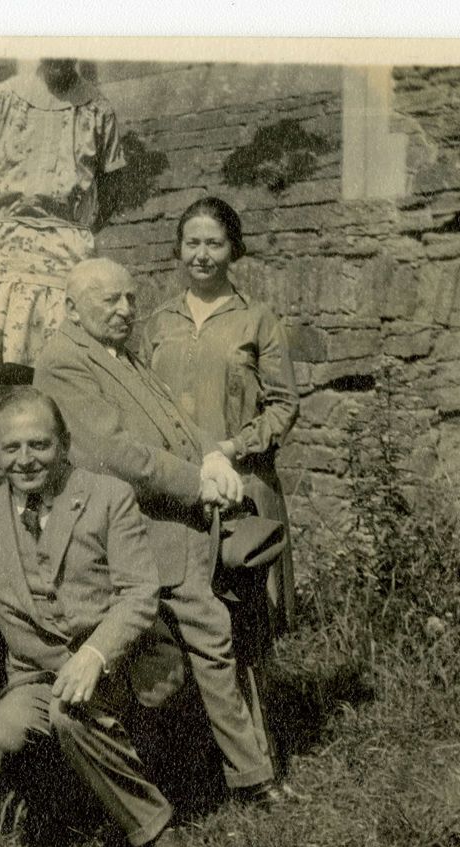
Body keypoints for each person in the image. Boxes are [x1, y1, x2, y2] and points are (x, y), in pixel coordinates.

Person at [33, 257, 284, 806]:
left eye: (130, 298)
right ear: (72, 307)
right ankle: (251, 780)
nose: (125, 311)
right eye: (110, 301)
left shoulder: (116, 351)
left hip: (175, 517)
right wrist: (197, 482)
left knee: (222, 637)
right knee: (209, 639)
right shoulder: (62, 361)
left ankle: (236, 770)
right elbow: (112, 451)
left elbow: (168, 417)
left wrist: (213, 454)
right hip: (141, 529)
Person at [0, 387, 184, 847]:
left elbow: (141, 593)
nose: (25, 460)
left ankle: (156, 827)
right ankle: (75, 813)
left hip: (126, 664)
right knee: (9, 730)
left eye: (39, 445)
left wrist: (97, 652)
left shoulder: (108, 497)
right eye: (11, 448)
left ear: (64, 443)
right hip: (38, 675)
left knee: (68, 712)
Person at [0, 58, 127, 451]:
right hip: (4, 240)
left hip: (66, 244)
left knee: (61, 361)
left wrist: (75, 227)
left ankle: (61, 478)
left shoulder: (98, 109)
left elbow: (111, 190)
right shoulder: (6, 95)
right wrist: (8, 216)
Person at [142, 196, 300, 636]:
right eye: (192, 243)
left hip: (242, 487)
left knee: (248, 622)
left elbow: (284, 404)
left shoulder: (256, 319)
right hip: (178, 489)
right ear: (179, 248)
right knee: (181, 620)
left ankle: (260, 705)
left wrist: (231, 449)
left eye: (214, 243)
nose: (202, 255)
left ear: (233, 249)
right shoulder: (158, 323)